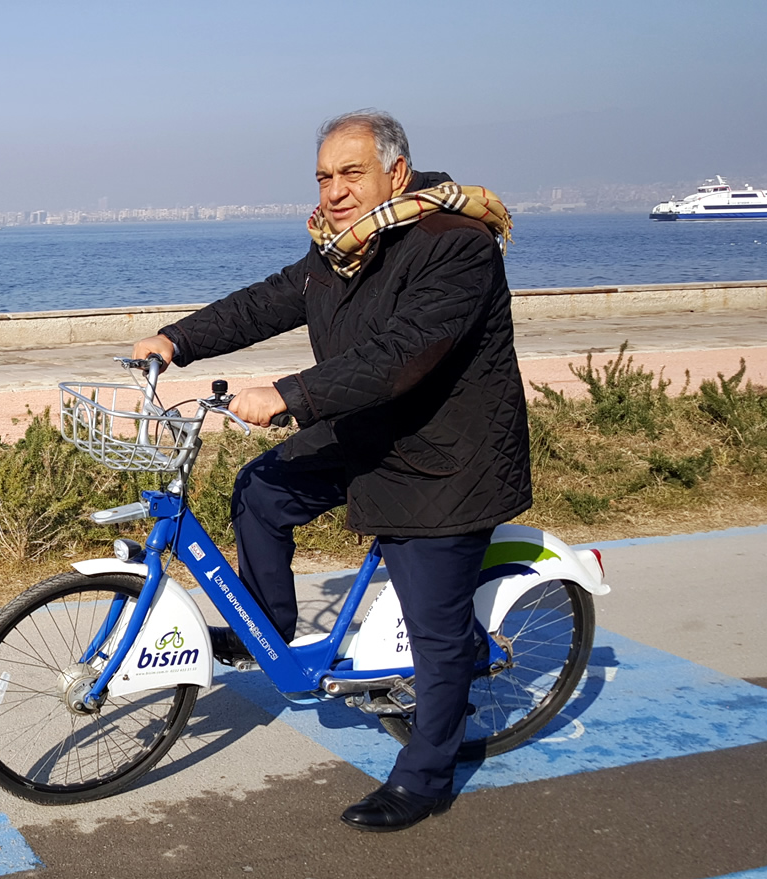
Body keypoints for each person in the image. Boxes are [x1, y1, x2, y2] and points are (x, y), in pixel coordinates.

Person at [130, 109, 530, 833]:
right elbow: (269, 300)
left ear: (395, 174)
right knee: (261, 490)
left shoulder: (456, 247)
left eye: (352, 173)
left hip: (443, 456)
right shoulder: (342, 249)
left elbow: (401, 354)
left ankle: (425, 777)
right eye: (324, 176)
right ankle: (268, 621)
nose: (335, 190)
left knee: (434, 631)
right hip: (368, 429)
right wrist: (176, 339)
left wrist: (289, 396)